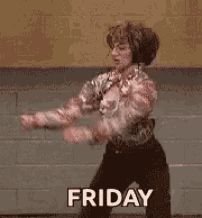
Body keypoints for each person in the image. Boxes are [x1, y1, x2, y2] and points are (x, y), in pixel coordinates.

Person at [21, 21, 171, 218]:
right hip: (116, 158)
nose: (114, 54)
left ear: (137, 52)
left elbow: (123, 121)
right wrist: (37, 120)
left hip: (149, 159)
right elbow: (70, 111)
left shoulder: (145, 87)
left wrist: (88, 133)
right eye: (114, 48)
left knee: (159, 212)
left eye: (122, 48)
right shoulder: (103, 82)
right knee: (91, 213)